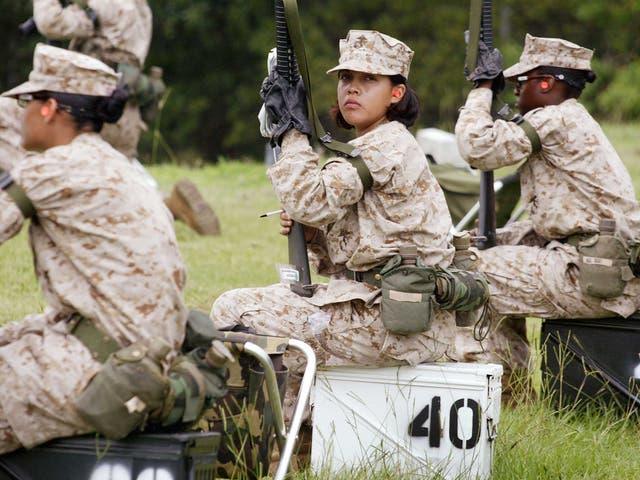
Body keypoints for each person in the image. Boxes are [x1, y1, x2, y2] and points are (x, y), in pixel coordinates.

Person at [211, 30, 484, 418]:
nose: (352, 90)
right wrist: (314, 234)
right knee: (273, 317)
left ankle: (258, 445)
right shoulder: (372, 146)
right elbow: (353, 255)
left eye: (369, 80)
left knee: (235, 309)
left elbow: (308, 199)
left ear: (396, 93)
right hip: (384, 314)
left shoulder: (385, 145)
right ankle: (300, 446)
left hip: (394, 327)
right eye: (345, 79)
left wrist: (292, 131)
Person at [0, 43, 188, 454]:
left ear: (49, 108)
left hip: (102, 366)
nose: (21, 114)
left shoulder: (54, 168)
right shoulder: (117, 165)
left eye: (27, 102)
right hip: (138, 357)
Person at [454, 34, 640, 385]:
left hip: (595, 276)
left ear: (545, 82)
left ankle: (503, 391)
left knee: (475, 275)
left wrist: (480, 90)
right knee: (484, 252)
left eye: (519, 83)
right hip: (597, 265)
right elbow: (561, 221)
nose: (513, 91)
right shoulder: (570, 119)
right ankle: (510, 388)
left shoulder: (555, 120)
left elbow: (478, 148)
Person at [17, 0, 221, 235]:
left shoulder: (101, 7)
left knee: (89, 181)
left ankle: (162, 207)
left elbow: (50, 22)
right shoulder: (139, 8)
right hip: (125, 108)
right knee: (122, 176)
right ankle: (168, 205)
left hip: (90, 105)